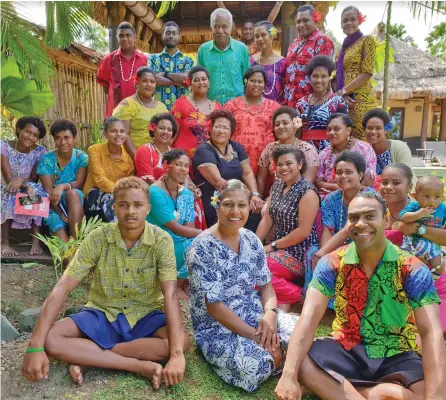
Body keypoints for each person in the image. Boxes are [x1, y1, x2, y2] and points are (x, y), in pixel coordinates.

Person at [275, 191, 445, 400]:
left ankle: (349, 388)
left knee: (422, 395)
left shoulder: (413, 268)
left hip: (396, 351)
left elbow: (431, 332)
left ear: (384, 220)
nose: (361, 223)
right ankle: (378, 391)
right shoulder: (331, 263)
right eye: (354, 218)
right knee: (302, 361)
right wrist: (288, 375)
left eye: (369, 216)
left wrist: (435, 396)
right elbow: (309, 318)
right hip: (347, 347)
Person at [22, 177, 188, 390]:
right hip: (102, 311)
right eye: (123, 205)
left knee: (181, 342)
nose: (130, 211)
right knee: (52, 339)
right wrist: (35, 346)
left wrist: (176, 356)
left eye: (138, 205)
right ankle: (135, 365)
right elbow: (63, 287)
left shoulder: (161, 240)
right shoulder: (98, 237)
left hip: (144, 312)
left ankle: (87, 356)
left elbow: (170, 295)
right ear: (114, 207)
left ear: (148, 209)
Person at [187, 179, 297, 392]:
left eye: (242, 205)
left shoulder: (252, 240)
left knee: (301, 333)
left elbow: (266, 286)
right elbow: (215, 307)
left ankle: (281, 354)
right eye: (228, 204)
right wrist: (257, 337)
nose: (235, 211)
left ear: (250, 207)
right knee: (254, 366)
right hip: (217, 327)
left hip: (254, 313)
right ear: (217, 205)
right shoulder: (202, 248)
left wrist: (270, 315)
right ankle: (281, 357)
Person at [257, 146, 319, 312]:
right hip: (279, 248)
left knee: (256, 270)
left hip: (299, 251)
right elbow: (268, 218)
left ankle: (304, 296)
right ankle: (284, 298)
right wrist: (254, 245)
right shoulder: (277, 186)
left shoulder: (307, 191)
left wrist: (271, 246)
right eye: (280, 164)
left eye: (289, 163)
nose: (284, 167)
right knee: (251, 263)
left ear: (300, 164)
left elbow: (303, 231)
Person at [305, 151, 373, 298]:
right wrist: (325, 253)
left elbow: (352, 229)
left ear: (360, 174)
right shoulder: (330, 199)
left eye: (349, 172)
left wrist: (323, 254)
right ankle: (320, 298)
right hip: (335, 244)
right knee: (312, 253)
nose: (343, 176)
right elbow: (326, 229)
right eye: (339, 172)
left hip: (364, 243)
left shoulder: (370, 198)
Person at [192, 110, 264, 230]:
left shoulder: (236, 147)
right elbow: (217, 181)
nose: (221, 131)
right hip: (215, 201)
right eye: (217, 126)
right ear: (210, 129)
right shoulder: (203, 150)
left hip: (239, 197)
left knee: (256, 214)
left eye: (225, 127)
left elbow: (248, 173)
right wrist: (245, 199)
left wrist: (254, 195)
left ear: (231, 132)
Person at [135, 113, 207, 231]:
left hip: (177, 192)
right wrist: (174, 193)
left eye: (169, 129)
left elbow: (185, 178)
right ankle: (189, 233)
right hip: (155, 194)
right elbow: (148, 181)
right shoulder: (144, 151)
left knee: (195, 199)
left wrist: (194, 189)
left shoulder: (176, 152)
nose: (166, 132)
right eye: (162, 128)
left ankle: (192, 237)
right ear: (153, 129)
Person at [147, 149, 202, 300]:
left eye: (186, 165)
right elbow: (175, 227)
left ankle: (184, 282)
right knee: (195, 243)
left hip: (180, 240)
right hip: (160, 240)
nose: (183, 169)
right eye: (178, 164)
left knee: (199, 246)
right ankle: (175, 286)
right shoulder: (155, 192)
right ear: (166, 165)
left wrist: (200, 237)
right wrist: (206, 233)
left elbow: (189, 227)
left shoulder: (186, 194)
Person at [1, 116, 48, 256]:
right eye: (27, 131)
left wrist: (23, 182)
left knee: (41, 196)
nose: (30, 137)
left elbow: (34, 177)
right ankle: (4, 242)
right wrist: (21, 184)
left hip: (27, 184)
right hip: (5, 185)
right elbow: (9, 179)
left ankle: (35, 241)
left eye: (35, 135)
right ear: (19, 129)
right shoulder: (3, 146)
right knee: (9, 194)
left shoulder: (40, 151)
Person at [37, 119, 87, 242]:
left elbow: (79, 183)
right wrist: (60, 213)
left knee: (73, 193)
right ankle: (69, 252)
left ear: (74, 138)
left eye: (66, 137)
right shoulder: (47, 159)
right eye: (58, 138)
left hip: (75, 203)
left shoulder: (81, 157)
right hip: (53, 205)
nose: (62, 142)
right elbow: (48, 191)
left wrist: (62, 186)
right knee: (64, 249)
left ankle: (76, 241)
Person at [224, 66, 280, 174]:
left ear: (264, 84)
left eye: (260, 81)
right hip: (236, 160)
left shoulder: (274, 107)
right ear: (245, 81)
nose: (256, 84)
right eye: (252, 81)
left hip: (266, 161)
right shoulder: (231, 105)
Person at [335, 6, 378, 140]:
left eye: (352, 19)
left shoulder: (367, 41)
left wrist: (343, 91)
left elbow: (367, 72)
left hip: (361, 101)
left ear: (359, 20)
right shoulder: (340, 51)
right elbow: (334, 76)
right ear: (341, 24)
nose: (348, 23)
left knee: (363, 141)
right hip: (345, 102)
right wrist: (342, 96)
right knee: (347, 142)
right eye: (345, 20)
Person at [257, 106, 319, 196]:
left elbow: (307, 182)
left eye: (285, 123)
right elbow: (261, 179)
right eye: (277, 124)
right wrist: (258, 198)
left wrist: (285, 199)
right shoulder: (270, 149)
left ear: (295, 125)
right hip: (274, 197)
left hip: (299, 198)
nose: (280, 127)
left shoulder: (308, 150)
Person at [83, 117, 134, 222]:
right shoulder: (95, 150)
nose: (118, 134)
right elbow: (99, 179)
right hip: (94, 194)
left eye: (122, 131)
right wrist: (121, 193)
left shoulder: (127, 159)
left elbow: (129, 183)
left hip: (118, 195)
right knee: (114, 202)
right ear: (105, 133)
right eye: (113, 131)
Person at [283, 4, 334, 108]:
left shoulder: (322, 41)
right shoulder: (293, 45)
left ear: (315, 20)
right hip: (291, 104)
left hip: (312, 105)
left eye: (305, 20)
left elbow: (323, 77)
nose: (301, 24)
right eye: (298, 22)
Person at [197, 8, 250, 105]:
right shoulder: (203, 50)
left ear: (231, 27)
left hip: (237, 106)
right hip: (211, 106)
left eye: (224, 26)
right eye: (216, 26)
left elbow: (247, 79)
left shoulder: (242, 49)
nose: (220, 30)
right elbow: (199, 80)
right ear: (211, 27)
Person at [113, 66, 168, 158]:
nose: (149, 84)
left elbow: (168, 133)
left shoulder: (162, 107)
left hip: (159, 157)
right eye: (144, 81)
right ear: (137, 83)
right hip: (133, 156)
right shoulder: (128, 104)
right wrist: (138, 159)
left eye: (152, 82)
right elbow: (124, 134)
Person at [296, 55, 348, 151]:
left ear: (329, 78)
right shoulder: (301, 103)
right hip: (304, 152)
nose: (319, 80)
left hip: (330, 152)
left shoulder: (337, 102)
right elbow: (297, 132)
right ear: (309, 78)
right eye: (315, 76)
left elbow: (344, 131)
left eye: (323, 76)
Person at [97, 22, 148, 117]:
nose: (124, 38)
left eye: (128, 35)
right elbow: (106, 89)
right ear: (117, 38)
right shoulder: (107, 60)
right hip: (115, 115)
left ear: (135, 38)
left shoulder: (145, 61)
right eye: (121, 36)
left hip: (139, 114)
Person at [315, 113, 376, 193]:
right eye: (329, 129)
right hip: (328, 196)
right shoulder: (324, 153)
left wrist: (344, 190)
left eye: (336, 129)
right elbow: (318, 182)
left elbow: (367, 182)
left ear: (348, 130)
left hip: (359, 197)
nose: (331, 132)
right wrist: (338, 191)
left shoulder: (364, 149)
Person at [170, 66, 223, 159]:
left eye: (204, 79)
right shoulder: (181, 103)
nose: (201, 82)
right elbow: (171, 133)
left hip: (210, 162)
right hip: (182, 161)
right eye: (196, 80)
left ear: (209, 83)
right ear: (189, 84)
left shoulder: (218, 107)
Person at [399, 176, 446, 273]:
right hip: (413, 240)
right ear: (415, 196)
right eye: (426, 196)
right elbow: (403, 217)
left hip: (433, 241)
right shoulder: (414, 206)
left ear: (442, 197)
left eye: (436, 197)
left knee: (438, 263)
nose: (432, 200)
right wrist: (419, 214)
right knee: (406, 260)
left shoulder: (442, 208)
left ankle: (433, 279)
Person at [148, 22, 194, 110]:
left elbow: (187, 79)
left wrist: (165, 75)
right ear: (162, 35)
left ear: (179, 36)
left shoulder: (188, 60)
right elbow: (152, 79)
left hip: (183, 111)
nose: (171, 36)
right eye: (168, 33)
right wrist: (177, 81)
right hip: (158, 110)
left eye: (174, 33)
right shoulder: (153, 58)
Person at [217, 1, 284, 55]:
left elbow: (269, 22)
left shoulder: (258, 42)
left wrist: (279, 3)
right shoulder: (238, 41)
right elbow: (229, 19)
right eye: (245, 29)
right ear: (242, 31)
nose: (248, 31)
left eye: (250, 29)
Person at [363, 108, 413, 177]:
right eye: (369, 128)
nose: (373, 132)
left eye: (378, 128)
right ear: (364, 130)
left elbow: (406, 176)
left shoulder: (399, 148)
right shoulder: (364, 151)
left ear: (385, 130)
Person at [250, 21, 286, 103]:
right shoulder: (250, 61)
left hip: (274, 110)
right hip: (253, 108)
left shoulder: (282, 62)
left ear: (271, 36)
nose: (259, 39)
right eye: (256, 36)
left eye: (263, 35)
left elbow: (285, 90)